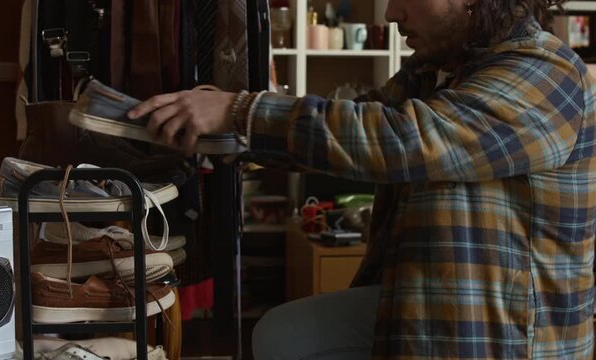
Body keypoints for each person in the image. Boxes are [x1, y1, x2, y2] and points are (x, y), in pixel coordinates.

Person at [129, 0, 596, 358]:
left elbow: (403, 139)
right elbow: (355, 127)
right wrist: (224, 133)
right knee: (282, 335)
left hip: (504, 338)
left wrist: (239, 110)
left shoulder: (545, 73)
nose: (392, 13)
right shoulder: (437, 69)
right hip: (425, 305)